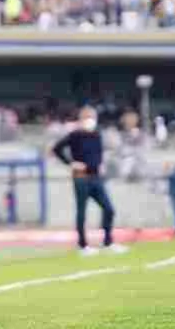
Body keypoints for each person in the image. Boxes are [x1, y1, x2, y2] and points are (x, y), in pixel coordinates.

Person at [52, 107, 127, 255]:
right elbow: (56, 149)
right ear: (81, 119)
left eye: (91, 116)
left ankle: (108, 241)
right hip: (81, 177)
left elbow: (98, 154)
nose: (89, 120)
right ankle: (82, 245)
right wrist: (70, 163)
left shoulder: (96, 135)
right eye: (87, 117)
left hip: (96, 177)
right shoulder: (74, 135)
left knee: (109, 209)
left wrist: (100, 164)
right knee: (82, 211)